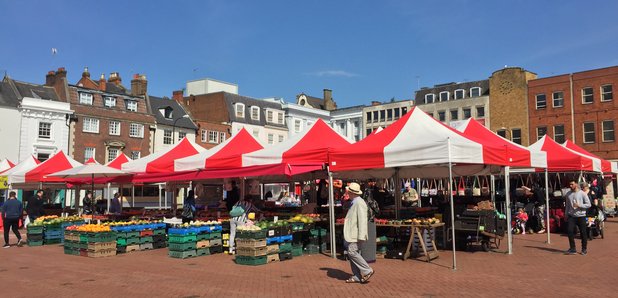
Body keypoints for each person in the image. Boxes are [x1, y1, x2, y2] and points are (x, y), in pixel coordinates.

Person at [343, 182, 374, 284]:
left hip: (355, 234)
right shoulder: (355, 202)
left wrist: (361, 235)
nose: (348, 194)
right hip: (352, 234)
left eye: (349, 192)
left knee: (352, 252)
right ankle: (356, 275)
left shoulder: (359, 203)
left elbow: (362, 220)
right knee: (352, 254)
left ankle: (367, 270)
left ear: (352, 193)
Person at [564, 181, 591, 255]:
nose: (570, 185)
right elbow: (567, 206)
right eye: (569, 184)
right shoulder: (568, 194)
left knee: (583, 233)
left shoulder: (582, 193)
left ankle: (584, 249)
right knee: (569, 231)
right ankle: (573, 248)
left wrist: (579, 205)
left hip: (581, 216)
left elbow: (588, 204)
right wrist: (566, 214)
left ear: (576, 184)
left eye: (572, 184)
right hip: (572, 216)